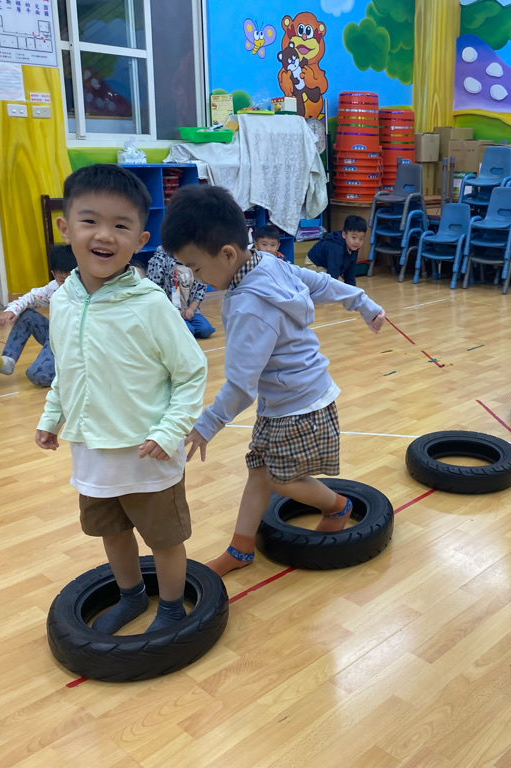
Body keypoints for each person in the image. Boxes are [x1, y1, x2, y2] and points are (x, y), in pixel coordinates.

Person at [160, 185, 385, 578]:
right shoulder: (266, 261)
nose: (195, 277)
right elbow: (318, 283)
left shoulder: (249, 306)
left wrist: (207, 424)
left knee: (282, 480)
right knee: (259, 472)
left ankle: (337, 507)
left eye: (195, 268)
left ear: (227, 254)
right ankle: (241, 548)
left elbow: (241, 385)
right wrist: (362, 302)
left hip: (299, 404)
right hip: (285, 399)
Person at [35, 164, 208, 634]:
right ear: (65, 227)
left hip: (147, 452)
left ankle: (170, 608)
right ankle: (131, 596)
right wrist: (51, 417)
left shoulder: (151, 304)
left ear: (140, 239)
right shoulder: (63, 301)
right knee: (111, 531)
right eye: (90, 221)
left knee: (163, 539)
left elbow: (191, 372)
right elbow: (66, 367)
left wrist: (169, 431)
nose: (104, 235)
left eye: (120, 225)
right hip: (90, 449)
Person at [0, 244, 76, 386]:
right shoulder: (53, 289)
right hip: (55, 336)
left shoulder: (88, 291)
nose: (67, 285)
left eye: (72, 280)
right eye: (62, 280)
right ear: (54, 275)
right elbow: (30, 297)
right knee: (26, 315)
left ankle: (73, 374)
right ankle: (8, 360)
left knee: (36, 375)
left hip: (74, 343)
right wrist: (11, 310)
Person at [142, 245, 216, 339]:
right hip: (168, 311)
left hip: (188, 310)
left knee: (206, 330)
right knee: (189, 331)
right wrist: (171, 311)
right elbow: (154, 289)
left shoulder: (196, 259)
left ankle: (181, 327)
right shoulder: (160, 259)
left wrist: (191, 309)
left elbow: (200, 289)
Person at [307, 215, 367, 286]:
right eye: (353, 237)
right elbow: (333, 273)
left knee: (341, 282)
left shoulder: (353, 246)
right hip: (315, 263)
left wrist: (352, 289)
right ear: (344, 234)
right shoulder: (336, 248)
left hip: (328, 263)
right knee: (334, 282)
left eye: (361, 239)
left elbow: (351, 271)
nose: (357, 242)